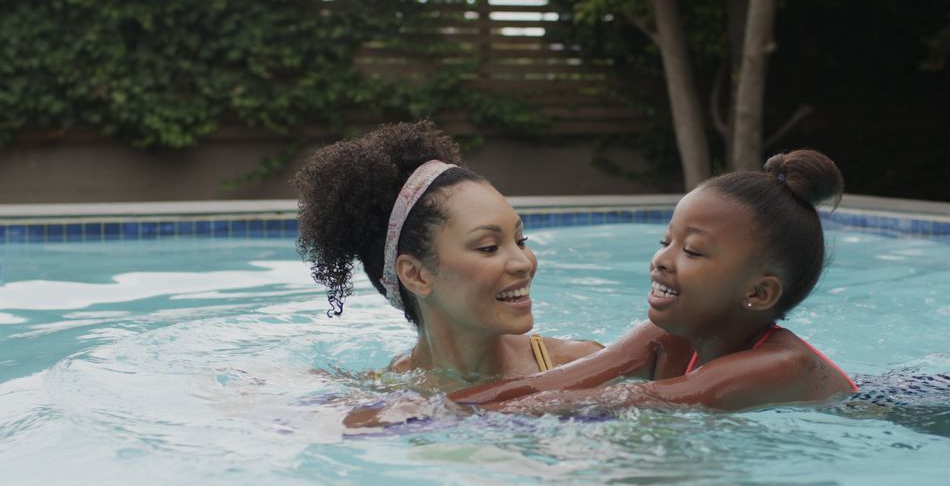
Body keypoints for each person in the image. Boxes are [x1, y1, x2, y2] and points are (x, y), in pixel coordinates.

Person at [451, 149, 858, 414]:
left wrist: (437, 421)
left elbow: (630, 399)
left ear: (758, 293)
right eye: (666, 241)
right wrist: (425, 409)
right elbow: (544, 386)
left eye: (692, 251)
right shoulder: (667, 335)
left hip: (892, 411)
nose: (662, 259)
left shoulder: (782, 364)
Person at [293, 121, 602, 401]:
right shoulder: (385, 397)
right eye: (488, 247)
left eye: (520, 241)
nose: (523, 263)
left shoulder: (585, 365)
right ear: (416, 275)